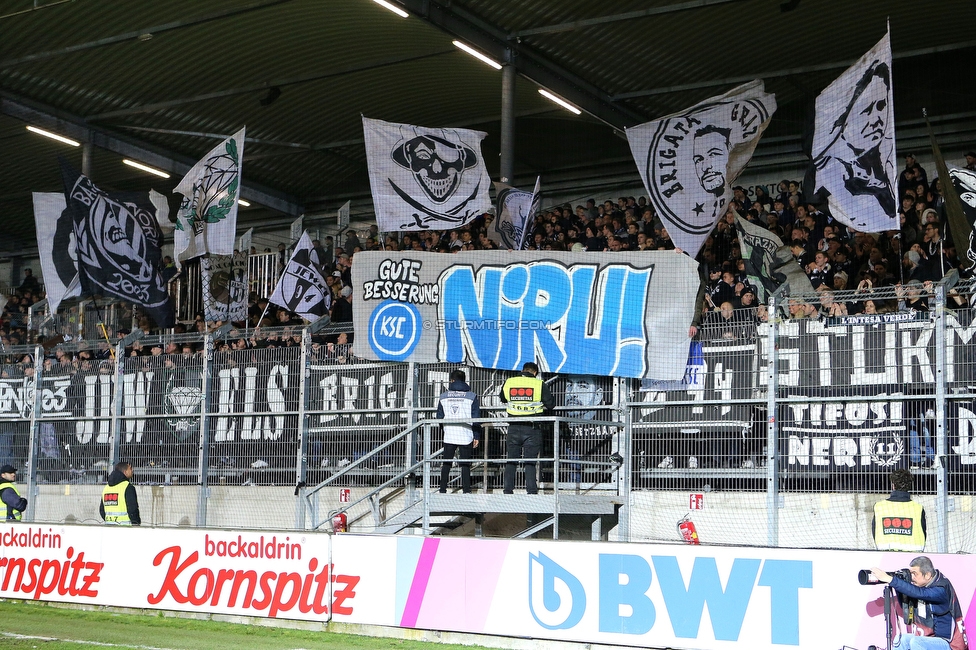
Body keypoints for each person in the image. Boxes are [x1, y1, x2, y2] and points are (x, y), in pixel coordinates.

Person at [869, 557, 964, 649]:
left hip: (948, 644)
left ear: (927, 575)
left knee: (916, 642)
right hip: (931, 639)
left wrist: (891, 580)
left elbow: (919, 593)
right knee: (900, 639)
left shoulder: (941, 588)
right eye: (911, 574)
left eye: (914, 574)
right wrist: (899, 584)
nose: (912, 578)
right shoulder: (926, 584)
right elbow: (908, 605)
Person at [499, 362, 554, 495]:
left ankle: (507, 490)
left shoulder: (510, 381)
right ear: (535, 372)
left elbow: (502, 398)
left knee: (511, 460)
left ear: (523, 370)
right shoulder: (538, 383)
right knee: (530, 461)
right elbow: (551, 404)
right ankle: (531, 491)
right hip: (532, 427)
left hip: (513, 426)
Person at [435, 370, 482, 494]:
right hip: (466, 434)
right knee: (465, 464)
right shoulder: (472, 396)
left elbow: (439, 416)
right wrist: (476, 435)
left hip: (449, 434)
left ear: (451, 380)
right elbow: (476, 417)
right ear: (464, 380)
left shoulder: (443, 396)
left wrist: (444, 428)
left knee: (446, 463)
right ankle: (466, 490)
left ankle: (442, 489)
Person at [873, 468, 926, 551]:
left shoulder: (879, 507)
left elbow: (874, 531)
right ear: (909, 486)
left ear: (893, 485)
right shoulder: (918, 508)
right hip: (913, 558)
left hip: (885, 556)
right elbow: (923, 531)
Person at [99, 461, 141, 526]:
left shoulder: (106, 488)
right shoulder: (128, 487)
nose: (132, 470)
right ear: (125, 472)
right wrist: (136, 524)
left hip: (109, 526)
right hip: (125, 528)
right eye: (130, 468)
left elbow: (102, 510)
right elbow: (133, 510)